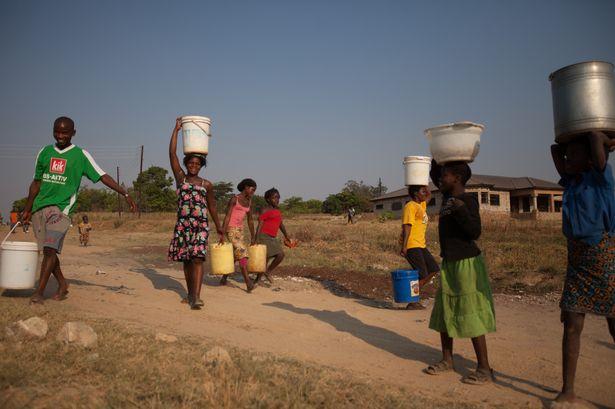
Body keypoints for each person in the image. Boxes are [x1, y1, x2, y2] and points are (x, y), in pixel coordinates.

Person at [21, 116, 136, 304]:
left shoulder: (80, 155)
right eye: (56, 131)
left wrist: (124, 193)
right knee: (48, 252)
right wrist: (27, 208)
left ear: (73, 133)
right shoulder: (44, 152)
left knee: (50, 249)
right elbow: (36, 183)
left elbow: (102, 176)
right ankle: (63, 284)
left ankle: (39, 293)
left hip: (62, 210)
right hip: (39, 208)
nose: (60, 136)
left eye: (65, 132)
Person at [550, 131, 615, 406]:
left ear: (590, 159)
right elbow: (554, 149)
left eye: (573, 155)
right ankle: (568, 391)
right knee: (572, 324)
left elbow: (599, 156)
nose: (566, 159)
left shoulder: (600, 180)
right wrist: (570, 139)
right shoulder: (572, 181)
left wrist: (594, 135)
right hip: (576, 259)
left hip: (603, 257)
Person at [424, 160, 496, 385]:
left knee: (470, 312)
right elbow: (435, 172)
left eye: (444, 175)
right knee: (445, 311)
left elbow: (475, 232)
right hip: (450, 263)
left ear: (456, 178)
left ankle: (484, 368)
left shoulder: (467, 200)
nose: (439, 180)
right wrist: (438, 155)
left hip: (466, 263)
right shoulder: (446, 197)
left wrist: (461, 210)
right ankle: (447, 360)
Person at [168, 117, 224, 310]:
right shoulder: (180, 178)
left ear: (201, 166)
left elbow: (213, 206)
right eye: (190, 163)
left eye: (197, 163)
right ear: (186, 164)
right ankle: (190, 294)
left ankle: (197, 297)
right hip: (183, 225)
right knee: (186, 260)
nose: (193, 165)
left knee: (198, 258)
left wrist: (219, 226)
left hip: (200, 226)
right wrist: (176, 130)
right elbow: (172, 154)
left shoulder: (206, 184)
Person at [399, 185, 440, 310]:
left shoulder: (421, 205)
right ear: (416, 194)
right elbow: (407, 226)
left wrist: (425, 185)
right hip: (412, 244)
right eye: (422, 191)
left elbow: (429, 196)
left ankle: (412, 295)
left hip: (421, 245)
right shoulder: (410, 206)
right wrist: (404, 246)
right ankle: (412, 300)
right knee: (422, 273)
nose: (425, 193)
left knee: (433, 269)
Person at [220, 178, 256, 292]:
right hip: (230, 229)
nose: (253, 192)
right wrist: (222, 233)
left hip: (240, 230)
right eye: (252, 189)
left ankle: (224, 278)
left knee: (236, 256)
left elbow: (250, 220)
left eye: (254, 190)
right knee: (242, 253)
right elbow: (227, 216)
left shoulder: (249, 201)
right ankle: (248, 283)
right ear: (245, 187)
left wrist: (253, 235)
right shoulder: (234, 199)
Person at [254, 188, 293, 284]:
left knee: (273, 257)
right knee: (277, 255)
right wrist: (256, 238)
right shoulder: (264, 209)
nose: (277, 200)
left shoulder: (277, 211)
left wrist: (286, 235)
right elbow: (260, 224)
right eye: (274, 198)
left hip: (272, 237)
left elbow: (280, 224)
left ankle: (262, 276)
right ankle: (262, 276)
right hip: (263, 236)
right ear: (268, 199)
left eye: (278, 197)